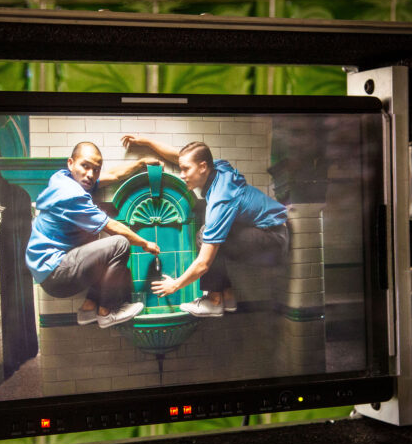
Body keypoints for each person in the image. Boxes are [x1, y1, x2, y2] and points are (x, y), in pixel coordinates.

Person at [121, 135, 288, 317]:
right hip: (270, 232)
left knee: (206, 234)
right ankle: (227, 297)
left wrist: (174, 285)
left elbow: (203, 263)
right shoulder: (218, 167)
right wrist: (145, 142)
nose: (181, 174)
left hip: (275, 241)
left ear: (202, 167)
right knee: (209, 234)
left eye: (185, 169)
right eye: (181, 168)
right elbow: (178, 156)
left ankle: (214, 301)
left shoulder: (220, 199)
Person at [26, 142, 161, 328]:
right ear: (70, 163)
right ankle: (106, 312)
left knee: (114, 264)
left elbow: (113, 175)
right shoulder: (71, 194)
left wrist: (141, 162)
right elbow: (111, 226)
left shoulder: (64, 178)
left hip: (50, 272)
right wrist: (145, 243)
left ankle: (88, 309)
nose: (90, 174)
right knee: (119, 244)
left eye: (96, 169)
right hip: (56, 273)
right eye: (85, 166)